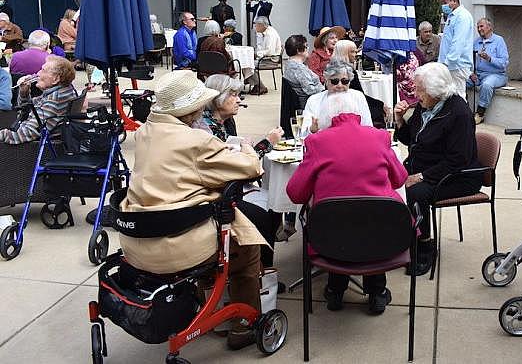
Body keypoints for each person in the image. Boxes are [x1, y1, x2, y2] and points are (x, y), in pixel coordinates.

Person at [118, 70, 264, 351]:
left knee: (207, 224)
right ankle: (243, 325)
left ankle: (201, 304)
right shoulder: (195, 140)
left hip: (137, 240)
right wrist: (247, 148)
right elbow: (251, 169)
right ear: (191, 109)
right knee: (246, 248)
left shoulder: (146, 132)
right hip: (175, 248)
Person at [286, 91, 406, 314]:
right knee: (371, 216)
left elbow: (296, 194)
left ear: (325, 115)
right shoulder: (379, 136)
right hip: (383, 233)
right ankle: (377, 292)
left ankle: (336, 290)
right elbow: (400, 179)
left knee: (338, 218)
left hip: (330, 236)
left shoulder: (316, 142)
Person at [393, 62, 481, 276]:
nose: (416, 93)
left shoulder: (458, 113)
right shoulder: (426, 106)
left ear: (436, 91)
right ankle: (404, 237)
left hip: (457, 176)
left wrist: (421, 176)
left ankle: (425, 247)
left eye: (420, 89)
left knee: (415, 193)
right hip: (429, 168)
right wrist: (399, 120)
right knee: (385, 182)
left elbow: (458, 160)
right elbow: (411, 140)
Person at [199, 74, 284, 269]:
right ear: (217, 98)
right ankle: (260, 272)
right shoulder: (205, 129)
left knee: (274, 204)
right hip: (217, 193)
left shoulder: (223, 122)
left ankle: (263, 269)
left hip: (231, 185)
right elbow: (234, 167)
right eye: (234, 95)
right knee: (265, 213)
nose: (239, 100)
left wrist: (242, 147)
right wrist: (267, 143)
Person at [0, 56, 77, 144]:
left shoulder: (52, 101)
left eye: (43, 70)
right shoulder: (65, 91)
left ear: (56, 79)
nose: (38, 73)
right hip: (47, 143)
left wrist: (2, 134)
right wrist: (24, 92)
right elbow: (27, 111)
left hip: (31, 149)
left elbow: (24, 134)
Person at [302, 60, 372, 136]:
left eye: (345, 81)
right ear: (326, 80)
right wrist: (312, 129)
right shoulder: (314, 100)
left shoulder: (358, 96)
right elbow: (303, 134)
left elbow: (368, 127)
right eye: (334, 81)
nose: (340, 85)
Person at [468, 17, 509, 125]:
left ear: (489, 27)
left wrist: (489, 58)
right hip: (478, 75)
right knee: (461, 81)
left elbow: (504, 63)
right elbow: (469, 60)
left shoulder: (499, 40)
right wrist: (471, 73)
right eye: (477, 27)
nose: (479, 29)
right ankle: (464, 110)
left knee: (486, 85)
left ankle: (480, 114)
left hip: (496, 75)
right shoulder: (476, 42)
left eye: (481, 26)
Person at [437, 0, 474, 99]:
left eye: (445, 2)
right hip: (449, 64)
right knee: (449, 97)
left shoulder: (462, 16)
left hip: (456, 65)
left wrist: (448, 62)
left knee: (458, 97)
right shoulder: (452, 16)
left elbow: (458, 42)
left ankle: (463, 116)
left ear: (454, 0)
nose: (443, 6)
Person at [283, 35, 324, 108]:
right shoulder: (298, 68)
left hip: (305, 100)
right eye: (306, 46)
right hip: (309, 104)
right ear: (298, 51)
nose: (308, 49)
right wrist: (325, 89)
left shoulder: (289, 64)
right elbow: (310, 90)